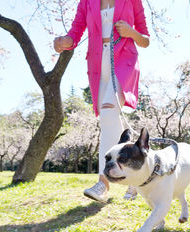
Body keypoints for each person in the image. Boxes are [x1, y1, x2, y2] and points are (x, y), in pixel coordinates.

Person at [54, 0, 150, 203]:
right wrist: (64, 41)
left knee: (108, 113)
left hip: (124, 60)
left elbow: (145, 40)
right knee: (113, 119)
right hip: (98, 63)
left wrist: (131, 32)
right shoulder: (87, 2)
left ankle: (103, 183)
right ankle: (134, 178)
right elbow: (75, 33)